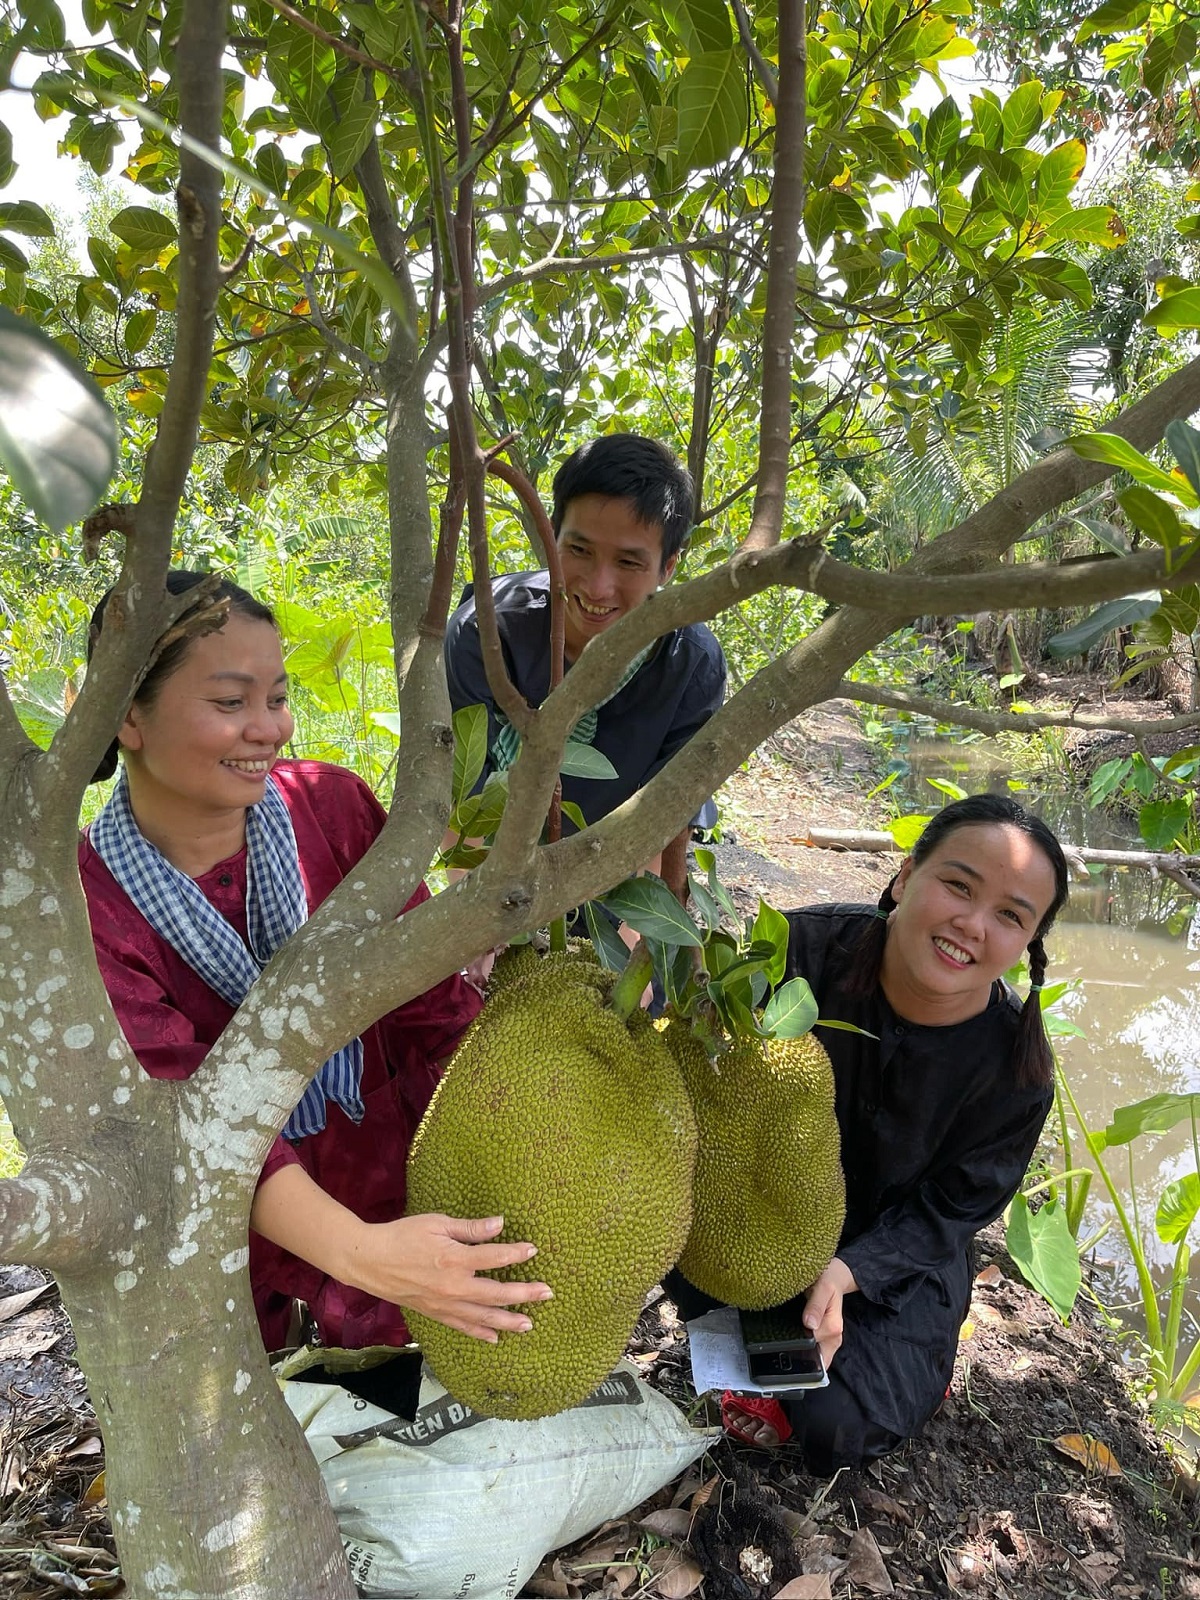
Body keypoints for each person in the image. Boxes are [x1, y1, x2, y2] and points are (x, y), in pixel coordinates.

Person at [80, 572, 552, 1354]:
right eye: (231, 704)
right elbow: (183, 1117)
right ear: (127, 713)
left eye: (277, 698)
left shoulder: (331, 809)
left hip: (402, 1170)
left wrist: (526, 1146)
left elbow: (430, 1007)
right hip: (234, 1227)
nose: (269, 728)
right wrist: (362, 1255)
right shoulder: (95, 910)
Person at [666, 794, 1070, 1474]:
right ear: (906, 878)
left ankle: (922, 1363)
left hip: (895, 1256)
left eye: (1009, 916)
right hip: (764, 1205)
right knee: (692, 1281)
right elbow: (704, 1071)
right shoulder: (795, 955)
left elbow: (951, 1211)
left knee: (834, 1427)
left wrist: (851, 1271)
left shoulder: (1016, 1075)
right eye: (958, 885)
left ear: (1028, 942)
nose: (972, 925)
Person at [443, 433, 726, 854]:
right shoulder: (485, 633)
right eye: (579, 549)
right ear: (552, 538)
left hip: (613, 876)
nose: (598, 588)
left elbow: (665, 826)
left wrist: (634, 922)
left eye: (629, 562)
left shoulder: (691, 664)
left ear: (667, 567)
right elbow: (463, 809)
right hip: (499, 873)